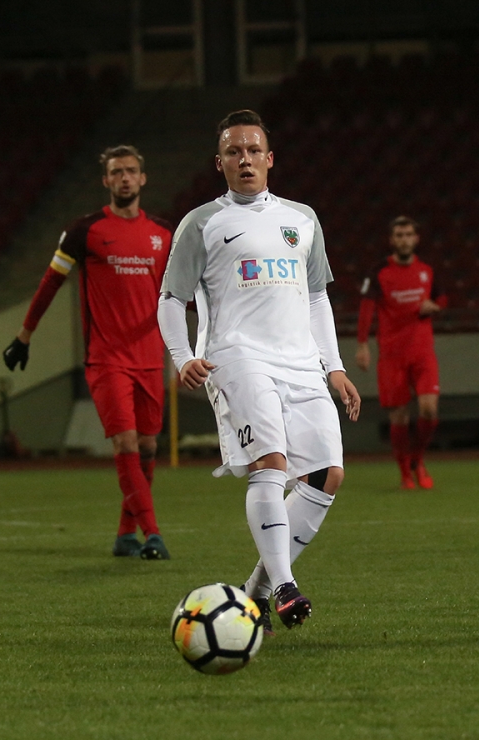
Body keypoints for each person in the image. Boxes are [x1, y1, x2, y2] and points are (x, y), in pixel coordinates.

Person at [157, 110, 361, 634]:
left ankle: (257, 591)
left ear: (270, 159)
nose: (244, 159)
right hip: (236, 356)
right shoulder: (203, 222)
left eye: (253, 151)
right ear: (219, 163)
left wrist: (334, 367)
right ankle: (287, 586)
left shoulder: (302, 219)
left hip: (301, 361)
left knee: (327, 474)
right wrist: (182, 357)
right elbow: (171, 299)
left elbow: (316, 298)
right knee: (270, 463)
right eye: (233, 152)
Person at [2, 145, 173, 560]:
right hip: (106, 358)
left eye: (131, 171)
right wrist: (25, 335)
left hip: (151, 358)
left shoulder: (165, 234)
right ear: (106, 180)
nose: (125, 178)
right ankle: (153, 534)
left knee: (148, 448)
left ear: (143, 178)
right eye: (117, 172)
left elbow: (179, 294)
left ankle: (125, 535)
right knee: (125, 443)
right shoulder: (85, 230)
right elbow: (50, 283)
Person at [356, 216, 446, 490]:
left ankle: (417, 458)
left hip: (422, 352)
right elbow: (367, 308)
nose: (404, 240)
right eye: (399, 235)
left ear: (416, 239)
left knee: (429, 410)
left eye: (408, 234)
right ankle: (405, 471)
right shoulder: (380, 271)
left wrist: (435, 306)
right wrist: (362, 344)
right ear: (392, 240)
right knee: (399, 416)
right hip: (392, 355)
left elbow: (442, 297)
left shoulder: (427, 270)